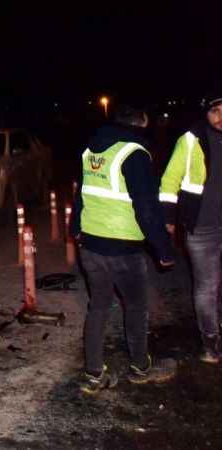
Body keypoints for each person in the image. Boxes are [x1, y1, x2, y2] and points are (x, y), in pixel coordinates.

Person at [71, 104, 176, 395]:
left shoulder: (91, 151)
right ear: (140, 123)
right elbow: (146, 208)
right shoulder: (134, 154)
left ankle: (93, 375)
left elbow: (81, 193)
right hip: (123, 248)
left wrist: (75, 228)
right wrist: (163, 249)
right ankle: (140, 368)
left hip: (90, 245)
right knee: (137, 307)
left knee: (98, 307)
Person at [159, 86, 222, 364]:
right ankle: (211, 343)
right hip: (202, 227)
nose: (221, 117)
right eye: (215, 111)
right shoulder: (191, 140)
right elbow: (169, 181)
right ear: (206, 113)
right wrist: (169, 219)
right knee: (207, 286)